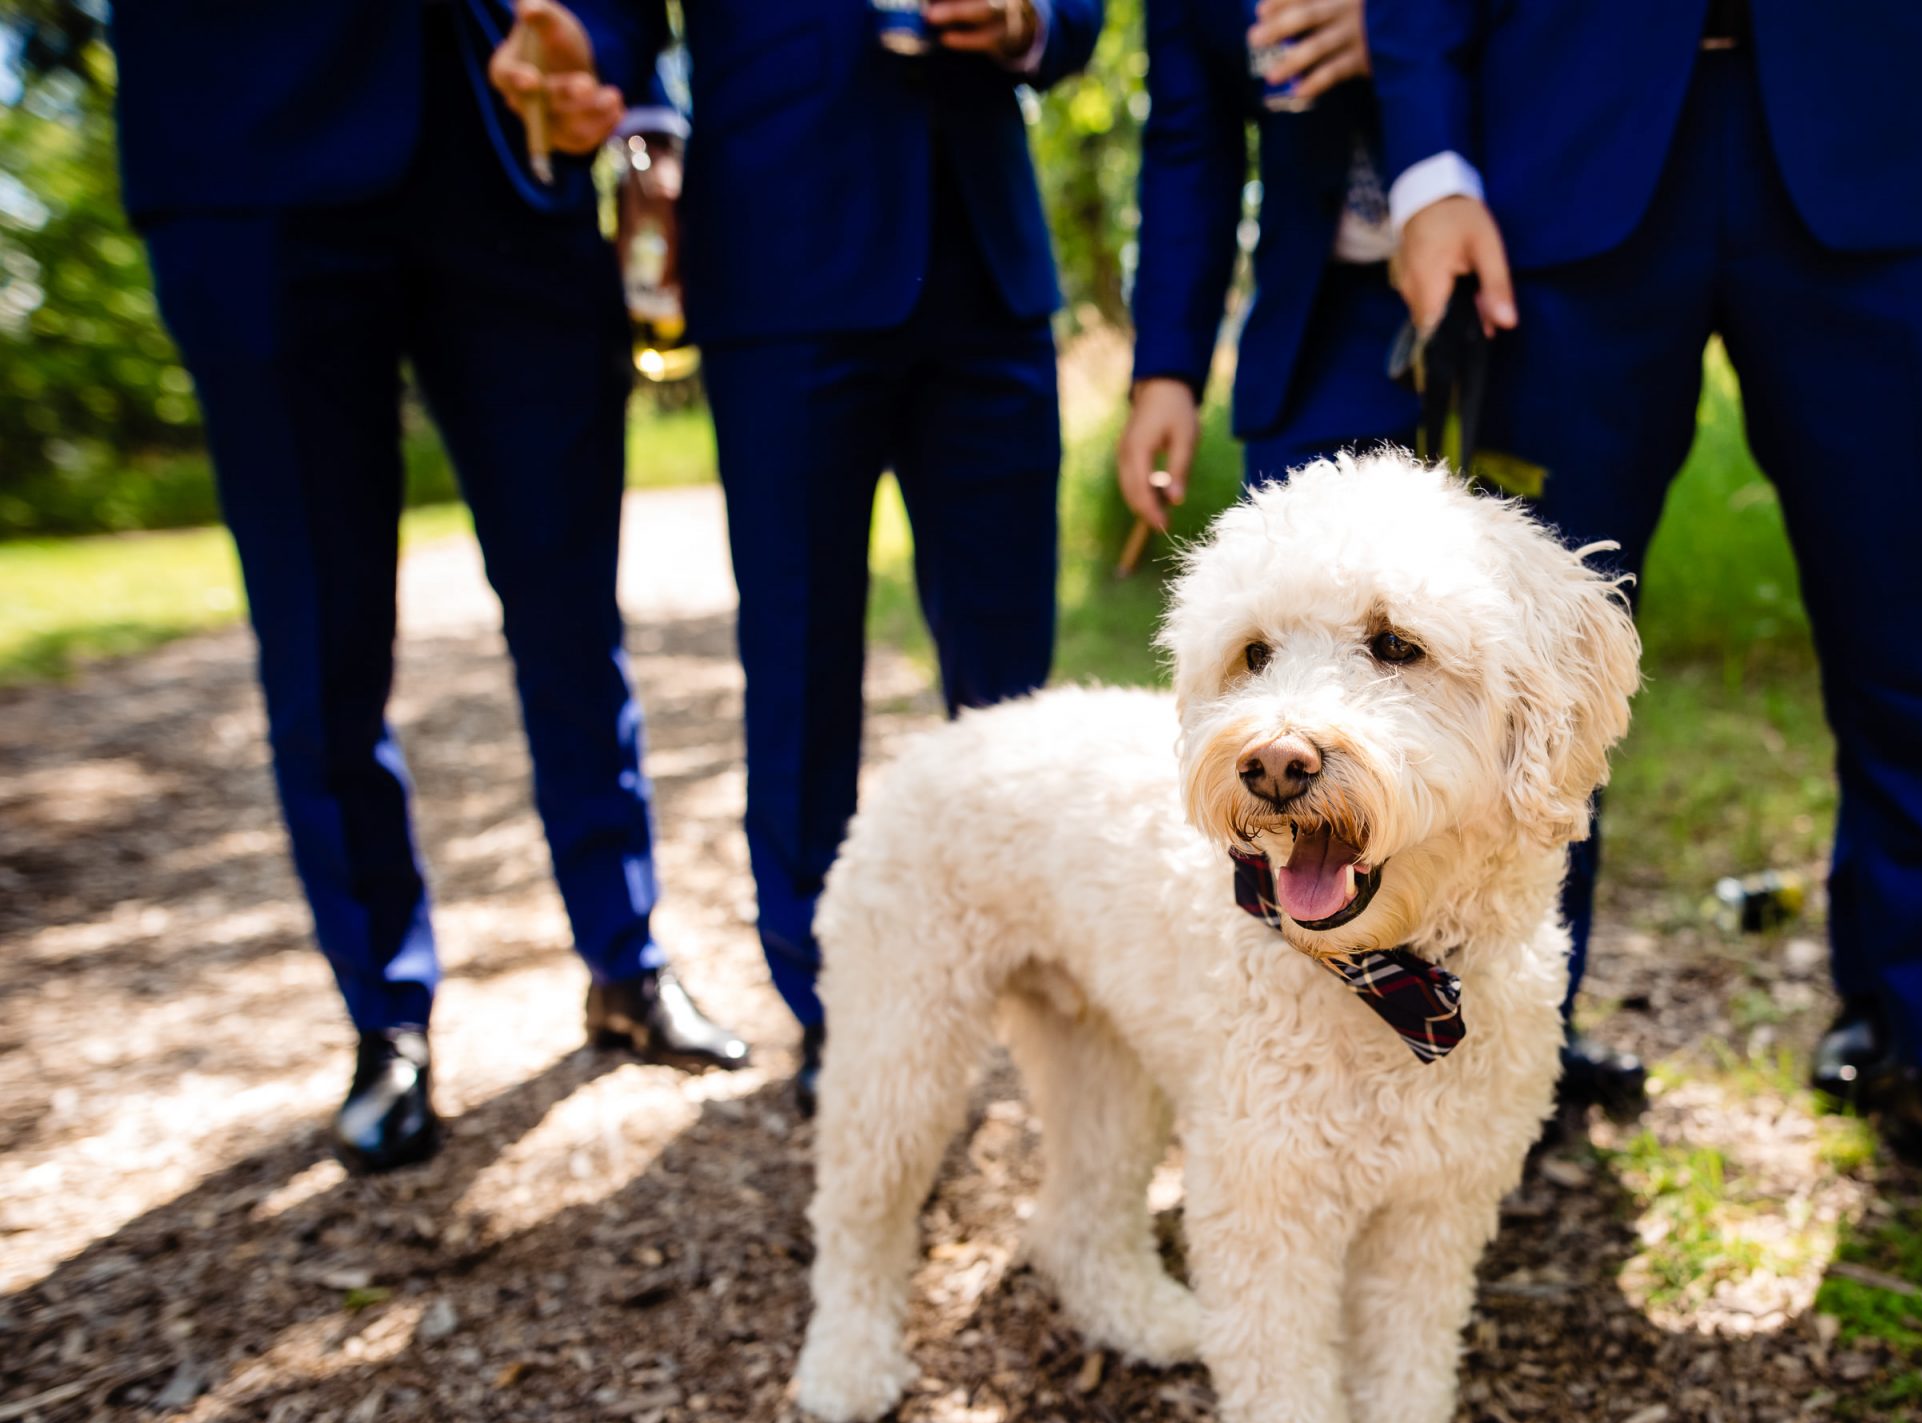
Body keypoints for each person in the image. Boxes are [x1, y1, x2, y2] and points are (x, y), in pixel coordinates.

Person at [1374, 0, 1922, 1226]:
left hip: (1899, 148)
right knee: (1514, 663)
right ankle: (1493, 1049)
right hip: (1563, 161)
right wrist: (1429, 165)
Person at [112, 0, 748, 1176]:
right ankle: (385, 1015)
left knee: (572, 612)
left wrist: (598, 56)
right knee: (319, 634)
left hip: (508, 155)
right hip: (246, 148)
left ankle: (624, 953)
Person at [680, 0, 1102, 1114]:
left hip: (985, 258)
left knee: (1010, 670)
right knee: (800, 649)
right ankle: (834, 1000)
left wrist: (1031, 20)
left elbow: (1078, 19)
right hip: (779, 249)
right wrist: (620, 98)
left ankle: (1020, 969)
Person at [1116, 0, 1418, 526]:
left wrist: (1401, 30)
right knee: (1297, 569)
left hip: (1525, 268)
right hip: (1318, 316)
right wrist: (1168, 370)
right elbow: (1191, 143)